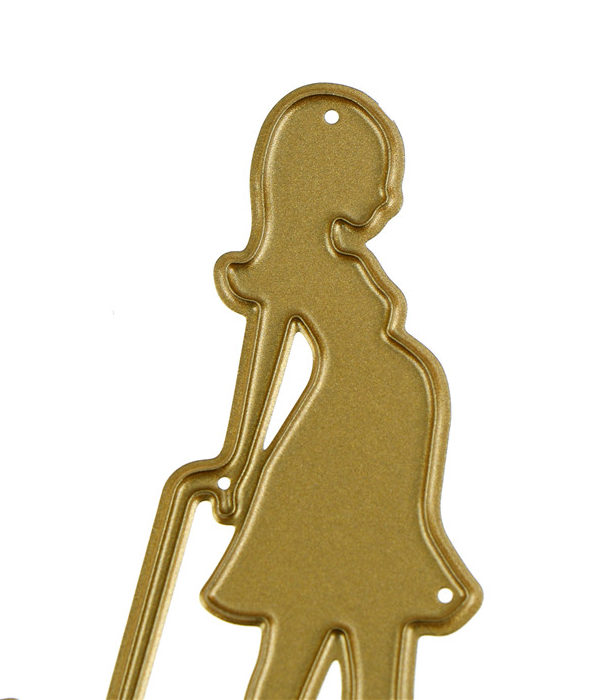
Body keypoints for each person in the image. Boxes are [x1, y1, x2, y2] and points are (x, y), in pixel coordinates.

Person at [201, 84, 481, 700]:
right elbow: (265, 365)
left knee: (373, 593)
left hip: (384, 437)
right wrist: (239, 463)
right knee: (315, 591)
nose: (386, 196)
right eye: (373, 174)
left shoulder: (341, 261)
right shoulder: (293, 265)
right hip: (341, 433)